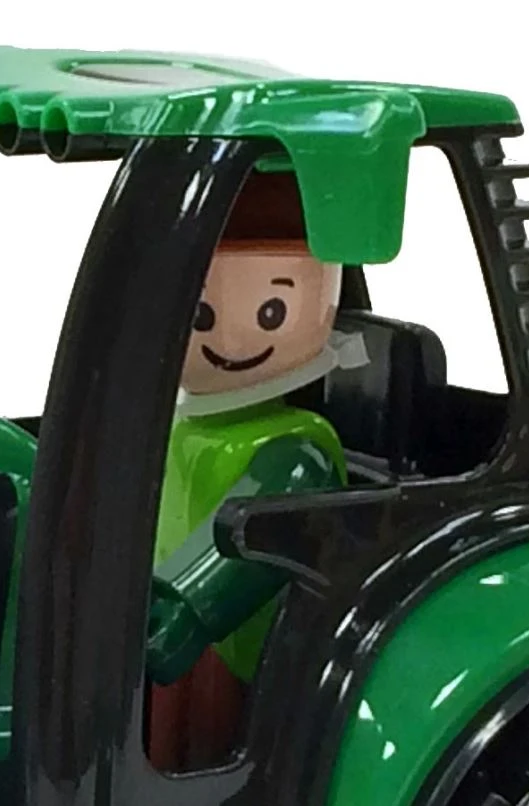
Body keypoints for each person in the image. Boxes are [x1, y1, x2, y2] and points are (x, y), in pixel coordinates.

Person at [145, 170, 365, 771]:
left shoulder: (297, 446)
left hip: (245, 642)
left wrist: (188, 611)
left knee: (210, 734)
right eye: (201, 315)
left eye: (271, 311)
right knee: (166, 732)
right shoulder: (184, 427)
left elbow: (253, 532)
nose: (233, 338)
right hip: (165, 619)